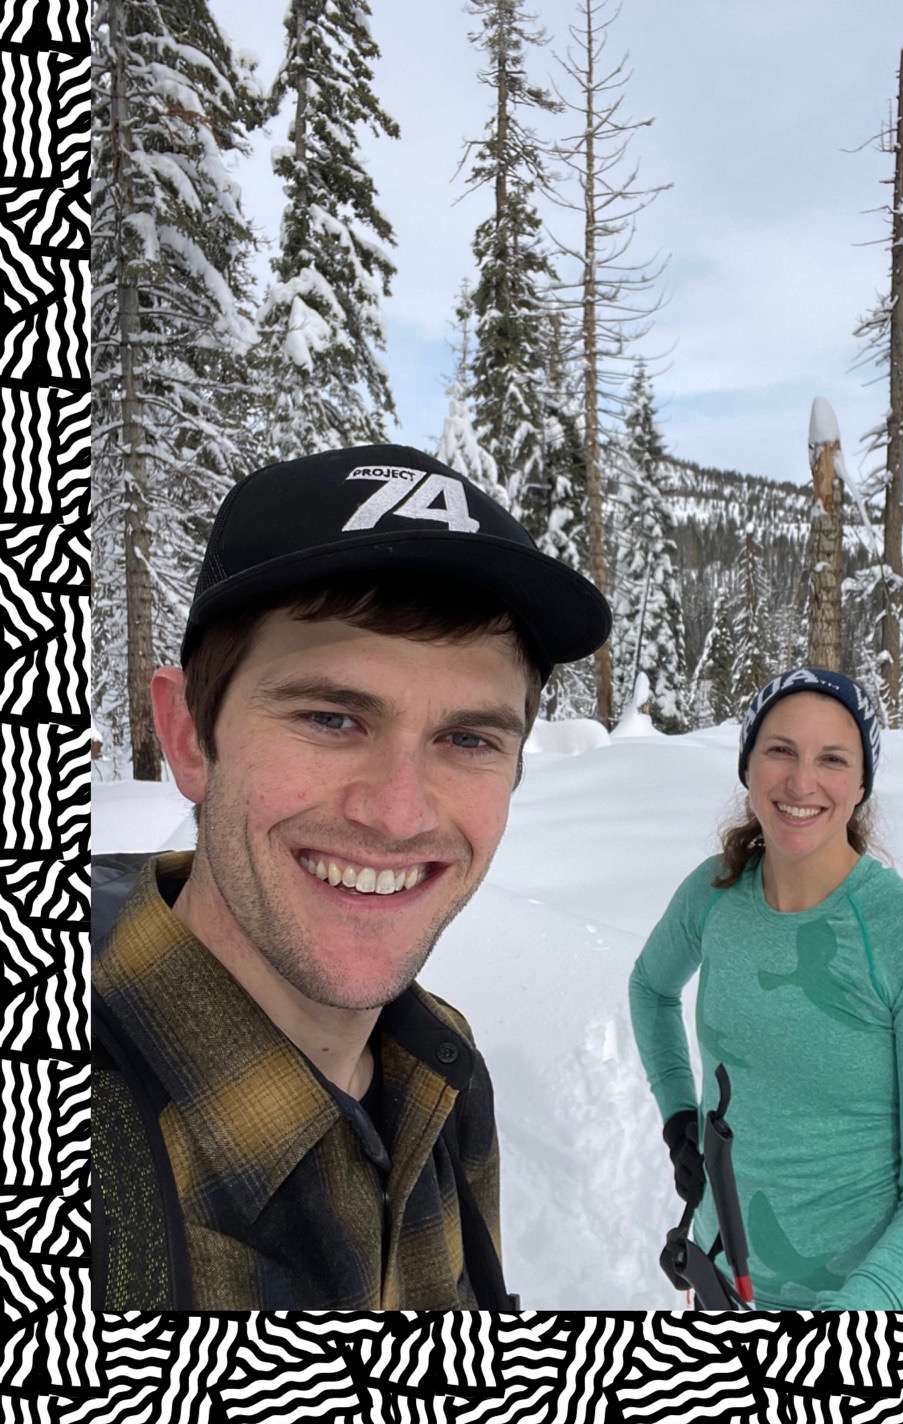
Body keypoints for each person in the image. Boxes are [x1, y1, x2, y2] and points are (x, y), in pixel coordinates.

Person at [92, 443, 610, 1312]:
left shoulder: (439, 1065)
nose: (399, 814)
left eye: (469, 739)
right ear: (188, 737)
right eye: (332, 718)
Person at [628, 667, 903, 1311]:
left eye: (833, 759)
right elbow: (651, 988)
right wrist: (680, 1116)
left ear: (862, 784)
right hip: (719, 1285)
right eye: (780, 750)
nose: (800, 782)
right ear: (748, 766)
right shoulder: (714, 893)